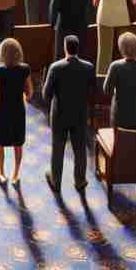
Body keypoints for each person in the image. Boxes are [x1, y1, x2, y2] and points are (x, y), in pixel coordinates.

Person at [42, 33, 94, 192]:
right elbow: (93, 91)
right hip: (80, 114)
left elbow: (46, 95)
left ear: (65, 48)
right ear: (77, 48)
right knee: (80, 149)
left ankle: (56, 180)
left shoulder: (56, 67)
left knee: (57, 147)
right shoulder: (88, 67)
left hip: (60, 114)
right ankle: (80, 180)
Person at [0, 36, 36, 183]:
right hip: (18, 109)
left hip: (2, 110)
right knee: (18, 143)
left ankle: (2, 173)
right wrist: (23, 97)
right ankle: (16, 174)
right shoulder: (25, 69)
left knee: (0, 143)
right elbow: (30, 93)